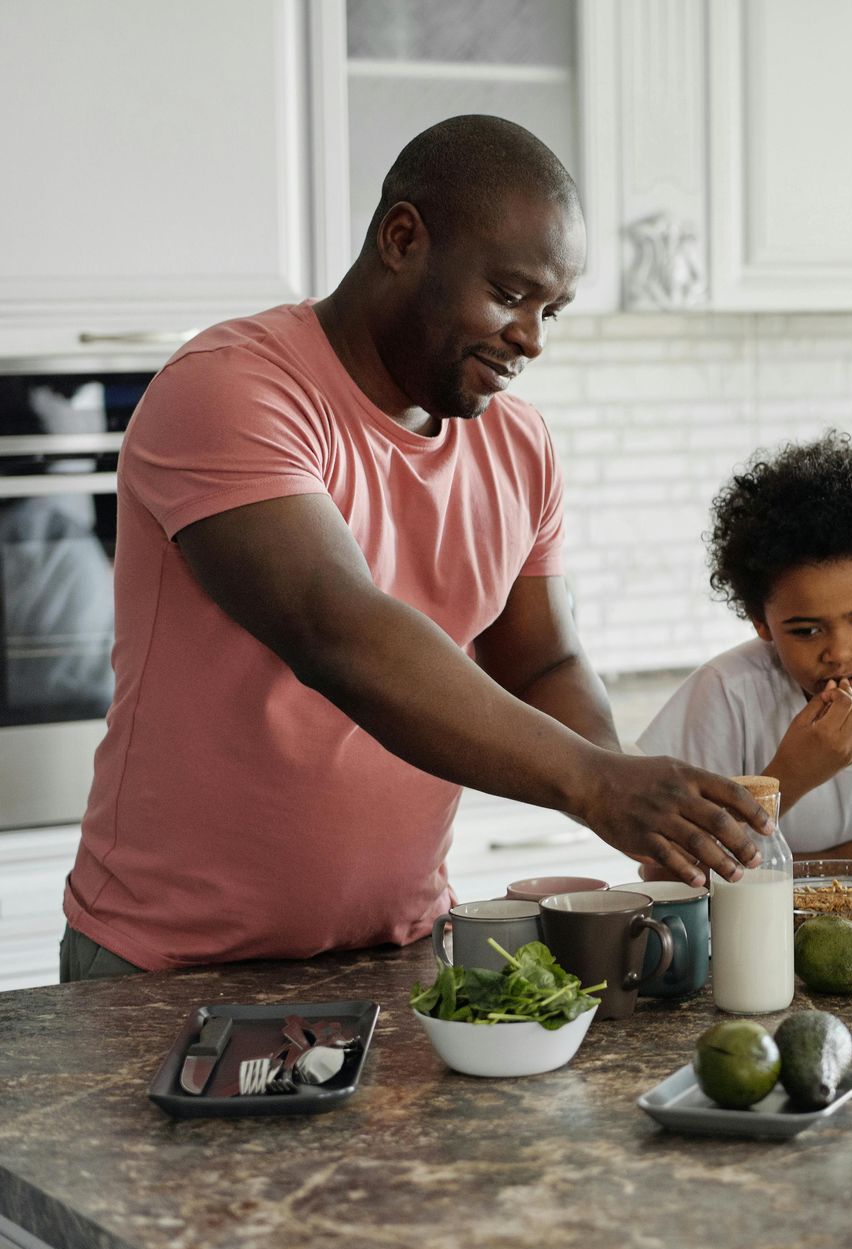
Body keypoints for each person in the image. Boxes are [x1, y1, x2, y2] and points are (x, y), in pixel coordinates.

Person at [61, 115, 767, 981]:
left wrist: (636, 803)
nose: (533, 338)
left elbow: (543, 660)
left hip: (400, 950)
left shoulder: (518, 443)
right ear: (402, 238)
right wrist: (593, 782)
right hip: (170, 965)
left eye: (552, 310)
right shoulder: (230, 389)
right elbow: (340, 633)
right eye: (510, 294)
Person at [639, 433, 852, 863]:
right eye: (805, 631)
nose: (840, 652)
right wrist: (791, 776)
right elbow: (664, 869)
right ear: (761, 621)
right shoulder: (726, 694)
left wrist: (779, 876)